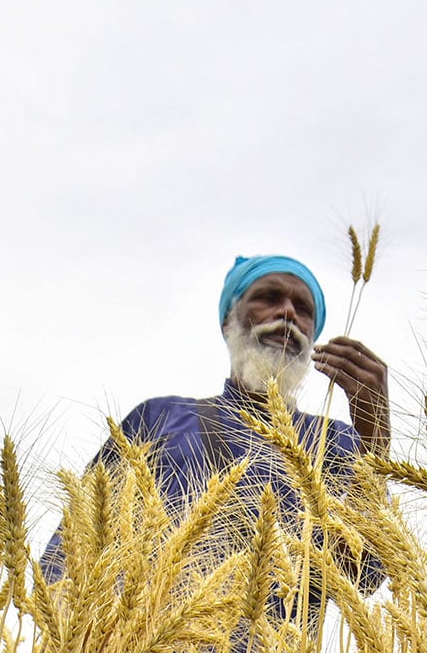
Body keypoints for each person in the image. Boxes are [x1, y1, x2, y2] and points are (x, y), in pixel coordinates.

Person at [41, 253, 390, 630]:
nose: (288, 313)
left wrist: (376, 447)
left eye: (303, 308)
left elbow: (364, 575)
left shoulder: (334, 443)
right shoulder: (158, 420)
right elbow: (69, 558)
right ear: (228, 322)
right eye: (268, 297)